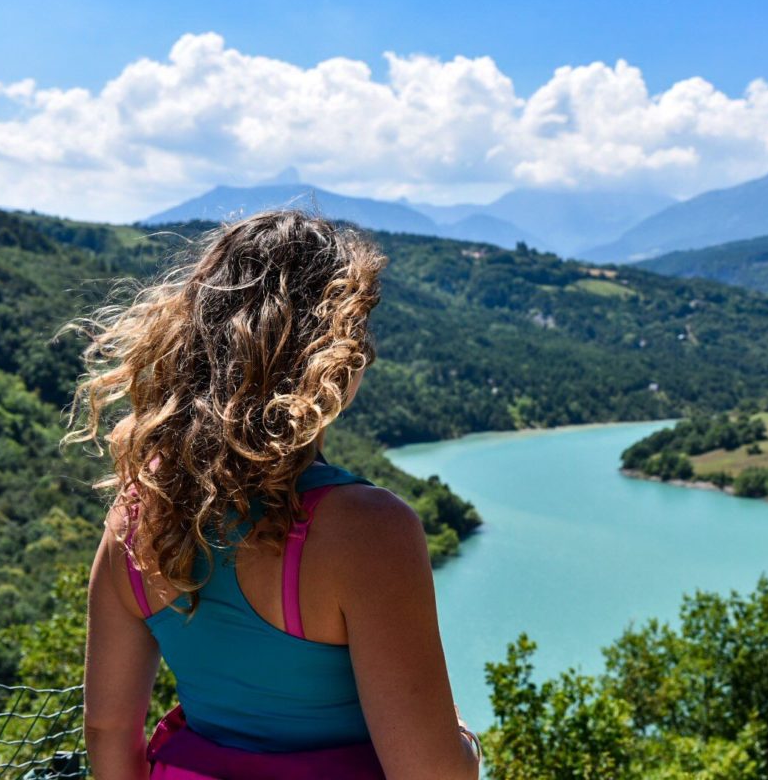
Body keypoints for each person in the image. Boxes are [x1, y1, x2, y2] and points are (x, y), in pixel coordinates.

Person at [65, 210, 482, 779]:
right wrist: (462, 741)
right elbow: (430, 773)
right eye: (359, 336)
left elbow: (110, 729)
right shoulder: (367, 530)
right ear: (332, 360)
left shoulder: (139, 513)